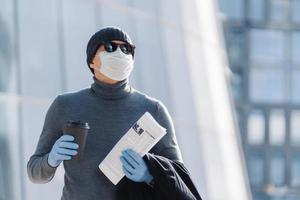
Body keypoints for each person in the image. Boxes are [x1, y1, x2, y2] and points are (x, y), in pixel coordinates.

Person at [27, 26, 183, 200]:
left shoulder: (153, 110)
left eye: (126, 49)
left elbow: (178, 178)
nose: (120, 53)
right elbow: (34, 172)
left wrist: (149, 175)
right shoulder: (65, 105)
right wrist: (50, 160)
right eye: (110, 47)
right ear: (92, 61)